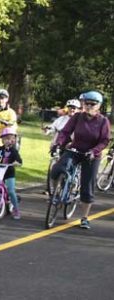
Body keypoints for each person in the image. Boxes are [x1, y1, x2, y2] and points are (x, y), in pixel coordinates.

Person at [50, 91, 111, 229]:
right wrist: (58, 144)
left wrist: (94, 151)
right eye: (86, 103)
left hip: (91, 155)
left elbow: (105, 140)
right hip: (75, 150)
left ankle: (84, 217)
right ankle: (56, 194)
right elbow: (65, 132)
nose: (88, 106)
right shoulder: (77, 117)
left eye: (92, 104)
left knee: (87, 186)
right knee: (57, 169)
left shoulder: (103, 121)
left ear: (98, 106)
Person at [0, 127, 23, 219]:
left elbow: (19, 160)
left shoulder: (13, 151)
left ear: (14, 140)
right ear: (2, 140)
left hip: (9, 173)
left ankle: (16, 209)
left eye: (11, 139)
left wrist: (17, 163)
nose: (8, 141)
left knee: (11, 191)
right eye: (6, 138)